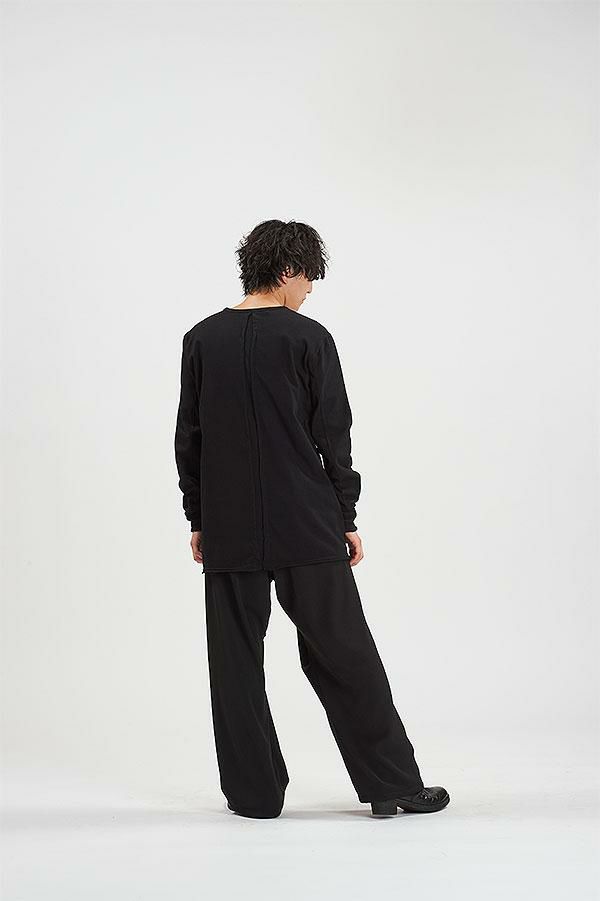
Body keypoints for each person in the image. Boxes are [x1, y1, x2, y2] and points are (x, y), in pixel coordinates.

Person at [174, 219, 449, 819]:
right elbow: (332, 433)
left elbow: (188, 437)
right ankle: (392, 786)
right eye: (308, 279)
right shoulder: (308, 338)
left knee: (234, 660)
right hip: (306, 518)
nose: (309, 291)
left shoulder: (201, 339)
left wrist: (199, 517)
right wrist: (345, 513)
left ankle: (253, 796)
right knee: (343, 651)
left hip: (228, 523)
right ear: (289, 270)